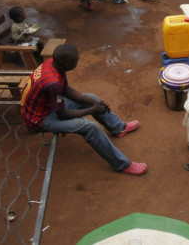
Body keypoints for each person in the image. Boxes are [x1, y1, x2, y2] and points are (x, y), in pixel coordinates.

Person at [20, 44, 147, 175]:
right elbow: (62, 115)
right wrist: (92, 110)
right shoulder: (53, 83)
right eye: (76, 61)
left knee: (91, 97)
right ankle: (121, 164)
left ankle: (118, 128)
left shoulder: (53, 63)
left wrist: (90, 101)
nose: (78, 62)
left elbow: (65, 89)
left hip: (47, 106)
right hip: (40, 119)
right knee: (89, 127)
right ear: (67, 64)